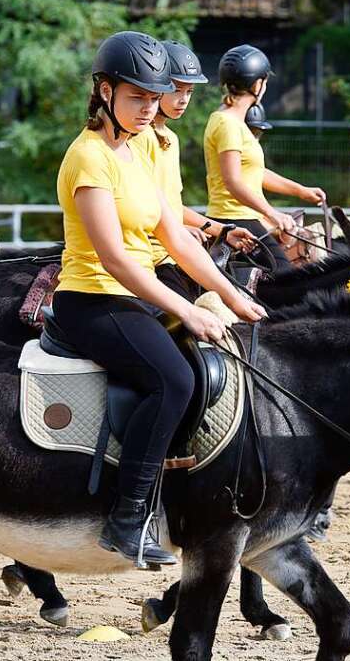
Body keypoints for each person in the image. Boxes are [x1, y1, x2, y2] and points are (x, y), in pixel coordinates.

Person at [54, 31, 266, 568]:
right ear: (104, 91)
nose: (149, 108)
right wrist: (187, 309)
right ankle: (126, 521)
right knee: (174, 378)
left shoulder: (140, 151)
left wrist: (229, 293)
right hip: (93, 298)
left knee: (211, 366)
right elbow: (115, 259)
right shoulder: (89, 158)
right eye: (136, 97)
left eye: (153, 98)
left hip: (134, 296)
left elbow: (175, 236)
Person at [147, 40, 258, 302]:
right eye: (176, 90)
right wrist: (179, 228)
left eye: (189, 92)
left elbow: (172, 205)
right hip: (153, 256)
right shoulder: (139, 138)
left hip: (174, 251)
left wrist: (220, 229)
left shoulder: (171, 139)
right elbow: (145, 207)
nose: (183, 100)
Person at [204, 44, 325, 265]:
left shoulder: (235, 123)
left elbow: (256, 173)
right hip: (235, 217)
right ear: (257, 84)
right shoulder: (228, 123)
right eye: (265, 81)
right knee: (287, 278)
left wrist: (301, 191)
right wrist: (272, 213)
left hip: (247, 215)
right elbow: (233, 182)